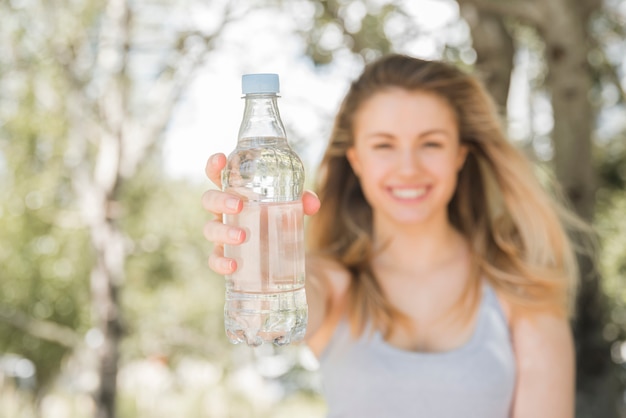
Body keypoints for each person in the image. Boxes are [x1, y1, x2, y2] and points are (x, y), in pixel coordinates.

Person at [202, 54, 584, 417]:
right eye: (384, 145)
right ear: (356, 160)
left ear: (459, 156)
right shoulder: (335, 284)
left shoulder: (521, 287)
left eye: (431, 143)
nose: (408, 168)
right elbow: (280, 317)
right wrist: (258, 253)